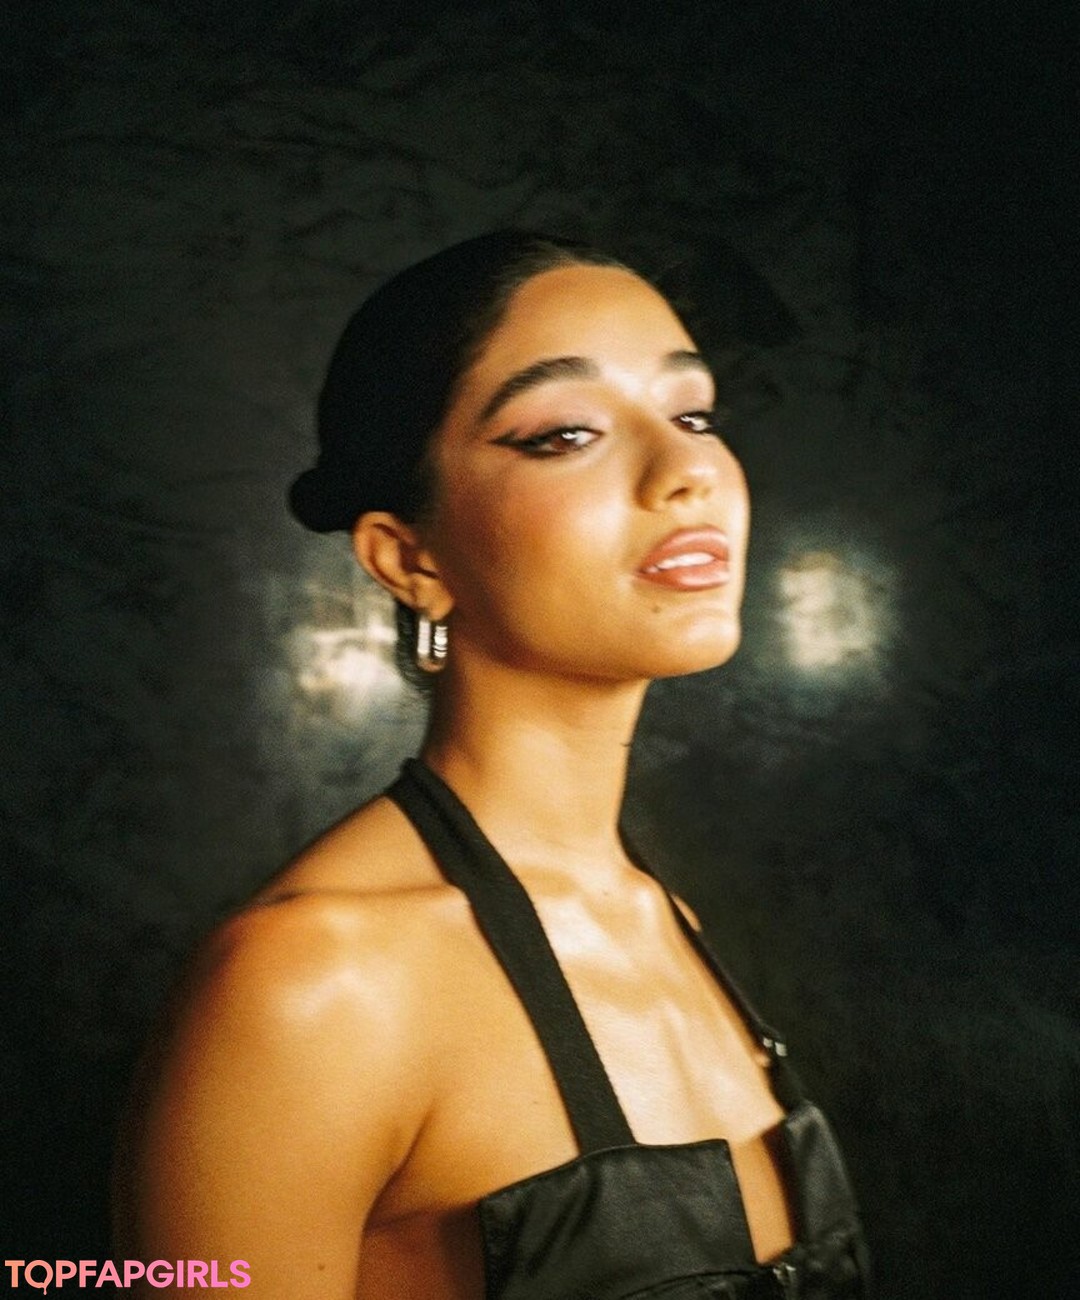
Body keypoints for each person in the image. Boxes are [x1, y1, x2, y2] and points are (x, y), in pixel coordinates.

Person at [115, 232, 870, 1298]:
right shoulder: (311, 985)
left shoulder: (664, 920)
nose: (689, 470)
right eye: (566, 433)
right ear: (408, 557)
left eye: (693, 414)